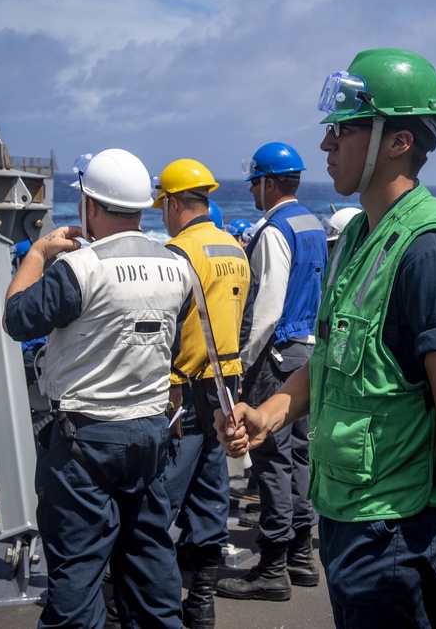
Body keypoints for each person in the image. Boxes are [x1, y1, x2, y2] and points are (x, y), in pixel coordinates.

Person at [217, 48, 436, 628]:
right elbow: (335, 364)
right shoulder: (363, 237)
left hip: (400, 532)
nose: (326, 145)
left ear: (399, 142)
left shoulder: (430, 248)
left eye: (343, 129)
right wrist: (268, 414)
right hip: (347, 521)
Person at [3, 148, 192, 628]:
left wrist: (39, 253)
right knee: (150, 566)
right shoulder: (177, 266)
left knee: (77, 578)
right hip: (150, 435)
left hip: (84, 441)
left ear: (90, 206)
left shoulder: (80, 268)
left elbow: (17, 317)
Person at [217, 142, 327, 602]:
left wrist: (241, 363)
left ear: (267, 182)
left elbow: (266, 308)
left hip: (276, 355)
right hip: (306, 352)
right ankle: (302, 557)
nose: (251, 190)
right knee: (298, 457)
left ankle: (273, 567)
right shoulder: (313, 224)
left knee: (272, 462)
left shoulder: (274, 230)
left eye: (254, 181)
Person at [154, 158, 250, 628]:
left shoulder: (177, 252)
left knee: (162, 501)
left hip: (181, 394)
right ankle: (202, 605)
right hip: (224, 392)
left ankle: (157, 606)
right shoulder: (234, 247)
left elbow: (164, 332)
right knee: (211, 497)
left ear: (173, 204)